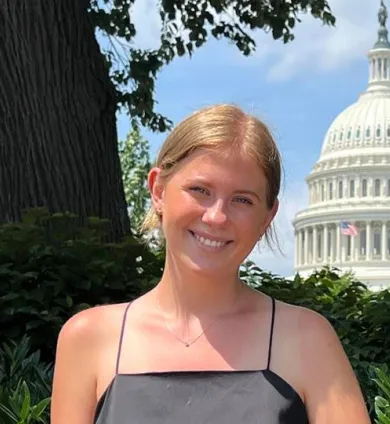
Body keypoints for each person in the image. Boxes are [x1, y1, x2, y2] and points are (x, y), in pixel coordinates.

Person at [50, 104, 371, 424]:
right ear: (158, 190)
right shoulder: (89, 339)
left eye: (242, 200)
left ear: (267, 217)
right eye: (200, 190)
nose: (216, 216)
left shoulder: (307, 340)